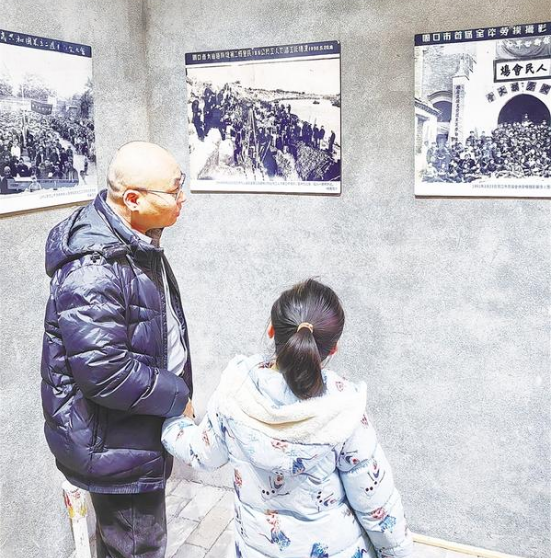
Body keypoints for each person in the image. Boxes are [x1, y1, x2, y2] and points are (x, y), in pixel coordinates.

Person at [162, 279, 413, 558]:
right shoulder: (344, 411)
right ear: (333, 349)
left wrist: (172, 422)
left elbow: (200, 452)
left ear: (271, 330)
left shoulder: (236, 391)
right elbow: (379, 510)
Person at [41, 141, 192, 558]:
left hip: (127, 432)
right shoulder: (94, 269)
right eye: (174, 190)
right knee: (138, 545)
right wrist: (178, 397)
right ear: (133, 200)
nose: (183, 198)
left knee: (124, 542)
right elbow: (106, 373)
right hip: (113, 444)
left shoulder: (134, 238)